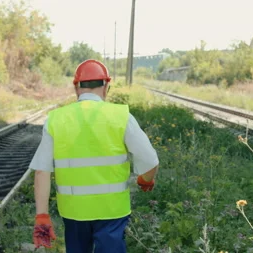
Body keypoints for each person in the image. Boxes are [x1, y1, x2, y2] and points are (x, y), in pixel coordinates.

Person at [29, 59, 159, 253]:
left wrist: (42, 217)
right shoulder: (121, 116)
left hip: (74, 212)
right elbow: (150, 161)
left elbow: (42, 171)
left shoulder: (56, 119)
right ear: (106, 86)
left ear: (76, 87)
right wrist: (144, 180)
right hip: (112, 211)